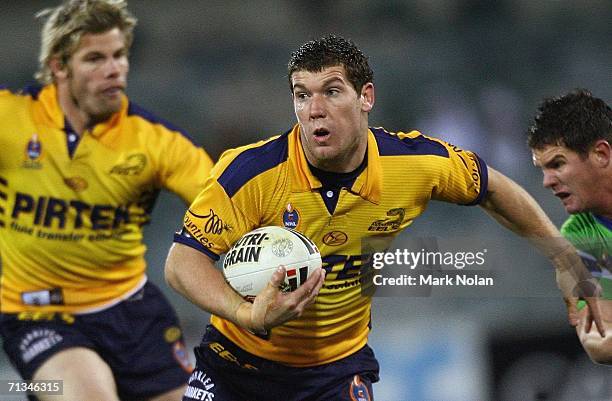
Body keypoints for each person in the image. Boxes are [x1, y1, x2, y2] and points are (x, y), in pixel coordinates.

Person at [165, 35, 603, 401]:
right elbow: (182, 263)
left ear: (366, 97)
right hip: (234, 366)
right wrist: (246, 314)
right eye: (302, 95)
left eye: (332, 91)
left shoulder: (414, 162)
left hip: (333, 374)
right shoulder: (251, 172)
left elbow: (492, 188)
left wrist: (566, 260)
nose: (314, 110)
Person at [0, 1, 214, 400]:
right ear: (59, 66)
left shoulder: (156, 142)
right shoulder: (10, 119)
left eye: (119, 56)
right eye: (95, 58)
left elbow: (228, 201)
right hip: (39, 316)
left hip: (132, 314)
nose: (114, 68)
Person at [529, 89, 612, 365]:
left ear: (601, 154)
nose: (547, 181)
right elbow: (598, 339)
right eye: (542, 169)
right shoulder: (578, 236)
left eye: (557, 164)